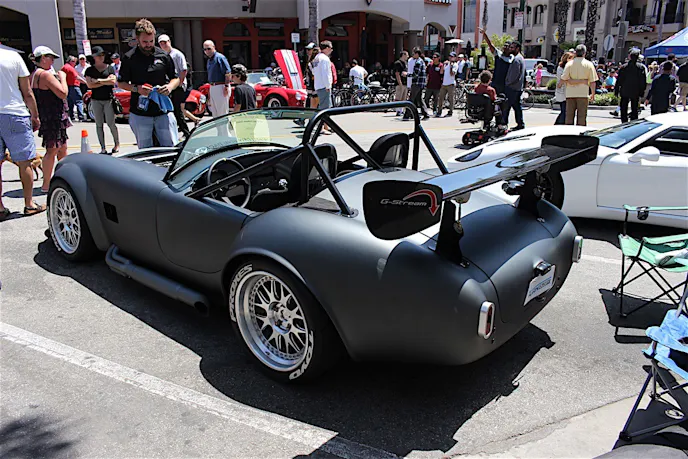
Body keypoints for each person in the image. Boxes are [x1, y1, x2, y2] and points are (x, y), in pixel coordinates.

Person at [117, 18, 180, 148]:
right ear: (137, 39)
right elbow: (121, 83)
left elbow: (176, 78)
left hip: (163, 110)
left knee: (170, 147)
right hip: (140, 112)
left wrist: (169, 87)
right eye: (145, 42)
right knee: (145, 149)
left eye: (151, 41)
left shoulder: (163, 55)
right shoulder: (129, 58)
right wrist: (137, 88)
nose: (148, 44)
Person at [0, 44, 44, 218]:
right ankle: (29, 203)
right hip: (14, 112)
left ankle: (0, 207)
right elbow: (27, 92)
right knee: (25, 162)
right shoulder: (13, 56)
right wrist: (35, 115)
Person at [31, 46, 71, 193]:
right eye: (50, 58)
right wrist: (63, 78)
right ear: (43, 58)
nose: (53, 61)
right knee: (52, 150)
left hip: (50, 116)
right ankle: (46, 184)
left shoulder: (34, 74)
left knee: (62, 148)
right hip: (53, 117)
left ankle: (64, 178)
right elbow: (63, 92)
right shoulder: (45, 75)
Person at [84, 46, 120, 155]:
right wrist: (105, 81)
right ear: (93, 57)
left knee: (111, 123)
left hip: (108, 99)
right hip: (96, 100)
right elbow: (90, 85)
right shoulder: (89, 70)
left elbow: (113, 81)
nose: (101, 57)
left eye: (102, 55)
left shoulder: (110, 68)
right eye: (98, 55)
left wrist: (98, 80)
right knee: (99, 124)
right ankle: (103, 148)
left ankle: (116, 144)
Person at [158, 34, 190, 139]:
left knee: (177, 109)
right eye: (161, 43)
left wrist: (179, 83)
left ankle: (186, 132)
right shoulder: (161, 55)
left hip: (177, 85)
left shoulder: (177, 54)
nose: (163, 45)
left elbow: (184, 70)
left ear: (169, 42)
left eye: (165, 42)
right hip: (168, 85)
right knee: (169, 109)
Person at [561, 44, 597, 126]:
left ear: (575, 53)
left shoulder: (569, 64)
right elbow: (592, 81)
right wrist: (593, 94)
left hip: (570, 94)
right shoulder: (589, 64)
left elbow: (564, 78)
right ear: (584, 53)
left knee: (569, 117)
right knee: (582, 118)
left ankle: (569, 133)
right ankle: (580, 133)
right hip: (583, 94)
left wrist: (572, 81)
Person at [614, 49, 647, 123]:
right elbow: (643, 81)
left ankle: (624, 122)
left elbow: (619, 80)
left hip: (625, 91)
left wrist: (616, 90)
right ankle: (633, 122)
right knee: (634, 108)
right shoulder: (640, 67)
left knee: (624, 108)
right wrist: (642, 91)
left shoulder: (624, 67)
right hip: (635, 91)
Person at [203, 40, 231, 119]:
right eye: (205, 49)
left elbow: (228, 72)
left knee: (222, 113)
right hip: (213, 86)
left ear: (214, 47)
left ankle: (225, 128)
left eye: (209, 48)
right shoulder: (209, 60)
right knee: (215, 114)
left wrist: (226, 86)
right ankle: (219, 128)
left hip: (221, 86)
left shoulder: (220, 57)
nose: (207, 51)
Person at [480, 28, 512, 97]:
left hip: (505, 85)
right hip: (495, 83)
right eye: (504, 46)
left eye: (507, 46)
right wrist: (484, 35)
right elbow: (490, 45)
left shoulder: (512, 59)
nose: (505, 48)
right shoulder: (498, 54)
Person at [502, 41, 526, 130]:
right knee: (517, 107)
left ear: (517, 48)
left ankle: (503, 124)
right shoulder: (521, 58)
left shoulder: (516, 60)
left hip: (512, 88)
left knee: (506, 107)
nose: (510, 49)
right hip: (518, 87)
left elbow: (514, 75)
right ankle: (520, 124)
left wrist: (507, 83)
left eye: (512, 47)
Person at [312, 41, 334, 133]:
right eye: (331, 48)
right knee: (324, 108)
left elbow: (313, 72)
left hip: (318, 84)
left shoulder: (316, 58)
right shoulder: (325, 59)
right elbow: (326, 74)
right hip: (324, 86)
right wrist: (328, 85)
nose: (331, 50)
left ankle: (326, 126)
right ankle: (321, 128)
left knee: (322, 106)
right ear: (327, 48)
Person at [403, 47, 430, 121]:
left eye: (413, 53)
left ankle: (407, 115)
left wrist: (407, 74)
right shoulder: (421, 61)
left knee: (411, 99)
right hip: (420, 83)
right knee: (419, 99)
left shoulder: (418, 62)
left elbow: (415, 75)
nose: (412, 55)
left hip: (417, 83)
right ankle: (425, 114)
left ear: (417, 54)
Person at [61, 56, 86, 122]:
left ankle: (72, 117)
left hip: (67, 87)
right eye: (74, 62)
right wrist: (86, 82)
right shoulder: (70, 68)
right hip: (74, 86)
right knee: (79, 101)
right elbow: (77, 77)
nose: (75, 63)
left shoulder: (64, 67)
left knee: (70, 102)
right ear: (70, 61)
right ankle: (81, 117)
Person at [554, 52, 574, 125]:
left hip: (567, 91)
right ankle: (557, 124)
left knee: (565, 111)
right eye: (571, 58)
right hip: (562, 92)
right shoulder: (560, 68)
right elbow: (563, 79)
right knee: (564, 110)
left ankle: (559, 124)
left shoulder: (570, 67)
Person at [437, 51, 458, 118]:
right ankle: (439, 111)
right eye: (450, 56)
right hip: (444, 83)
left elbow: (452, 74)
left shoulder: (455, 65)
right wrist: (443, 65)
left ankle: (450, 111)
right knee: (441, 98)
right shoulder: (446, 64)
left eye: (452, 57)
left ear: (455, 58)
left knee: (450, 98)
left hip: (451, 84)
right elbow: (441, 72)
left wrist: (451, 66)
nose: (450, 58)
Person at [393, 50, 409, 116]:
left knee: (404, 97)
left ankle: (401, 110)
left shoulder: (406, 63)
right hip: (400, 83)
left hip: (405, 83)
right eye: (407, 55)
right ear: (403, 55)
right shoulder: (398, 63)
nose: (408, 56)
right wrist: (400, 83)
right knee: (398, 97)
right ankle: (398, 111)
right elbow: (397, 73)